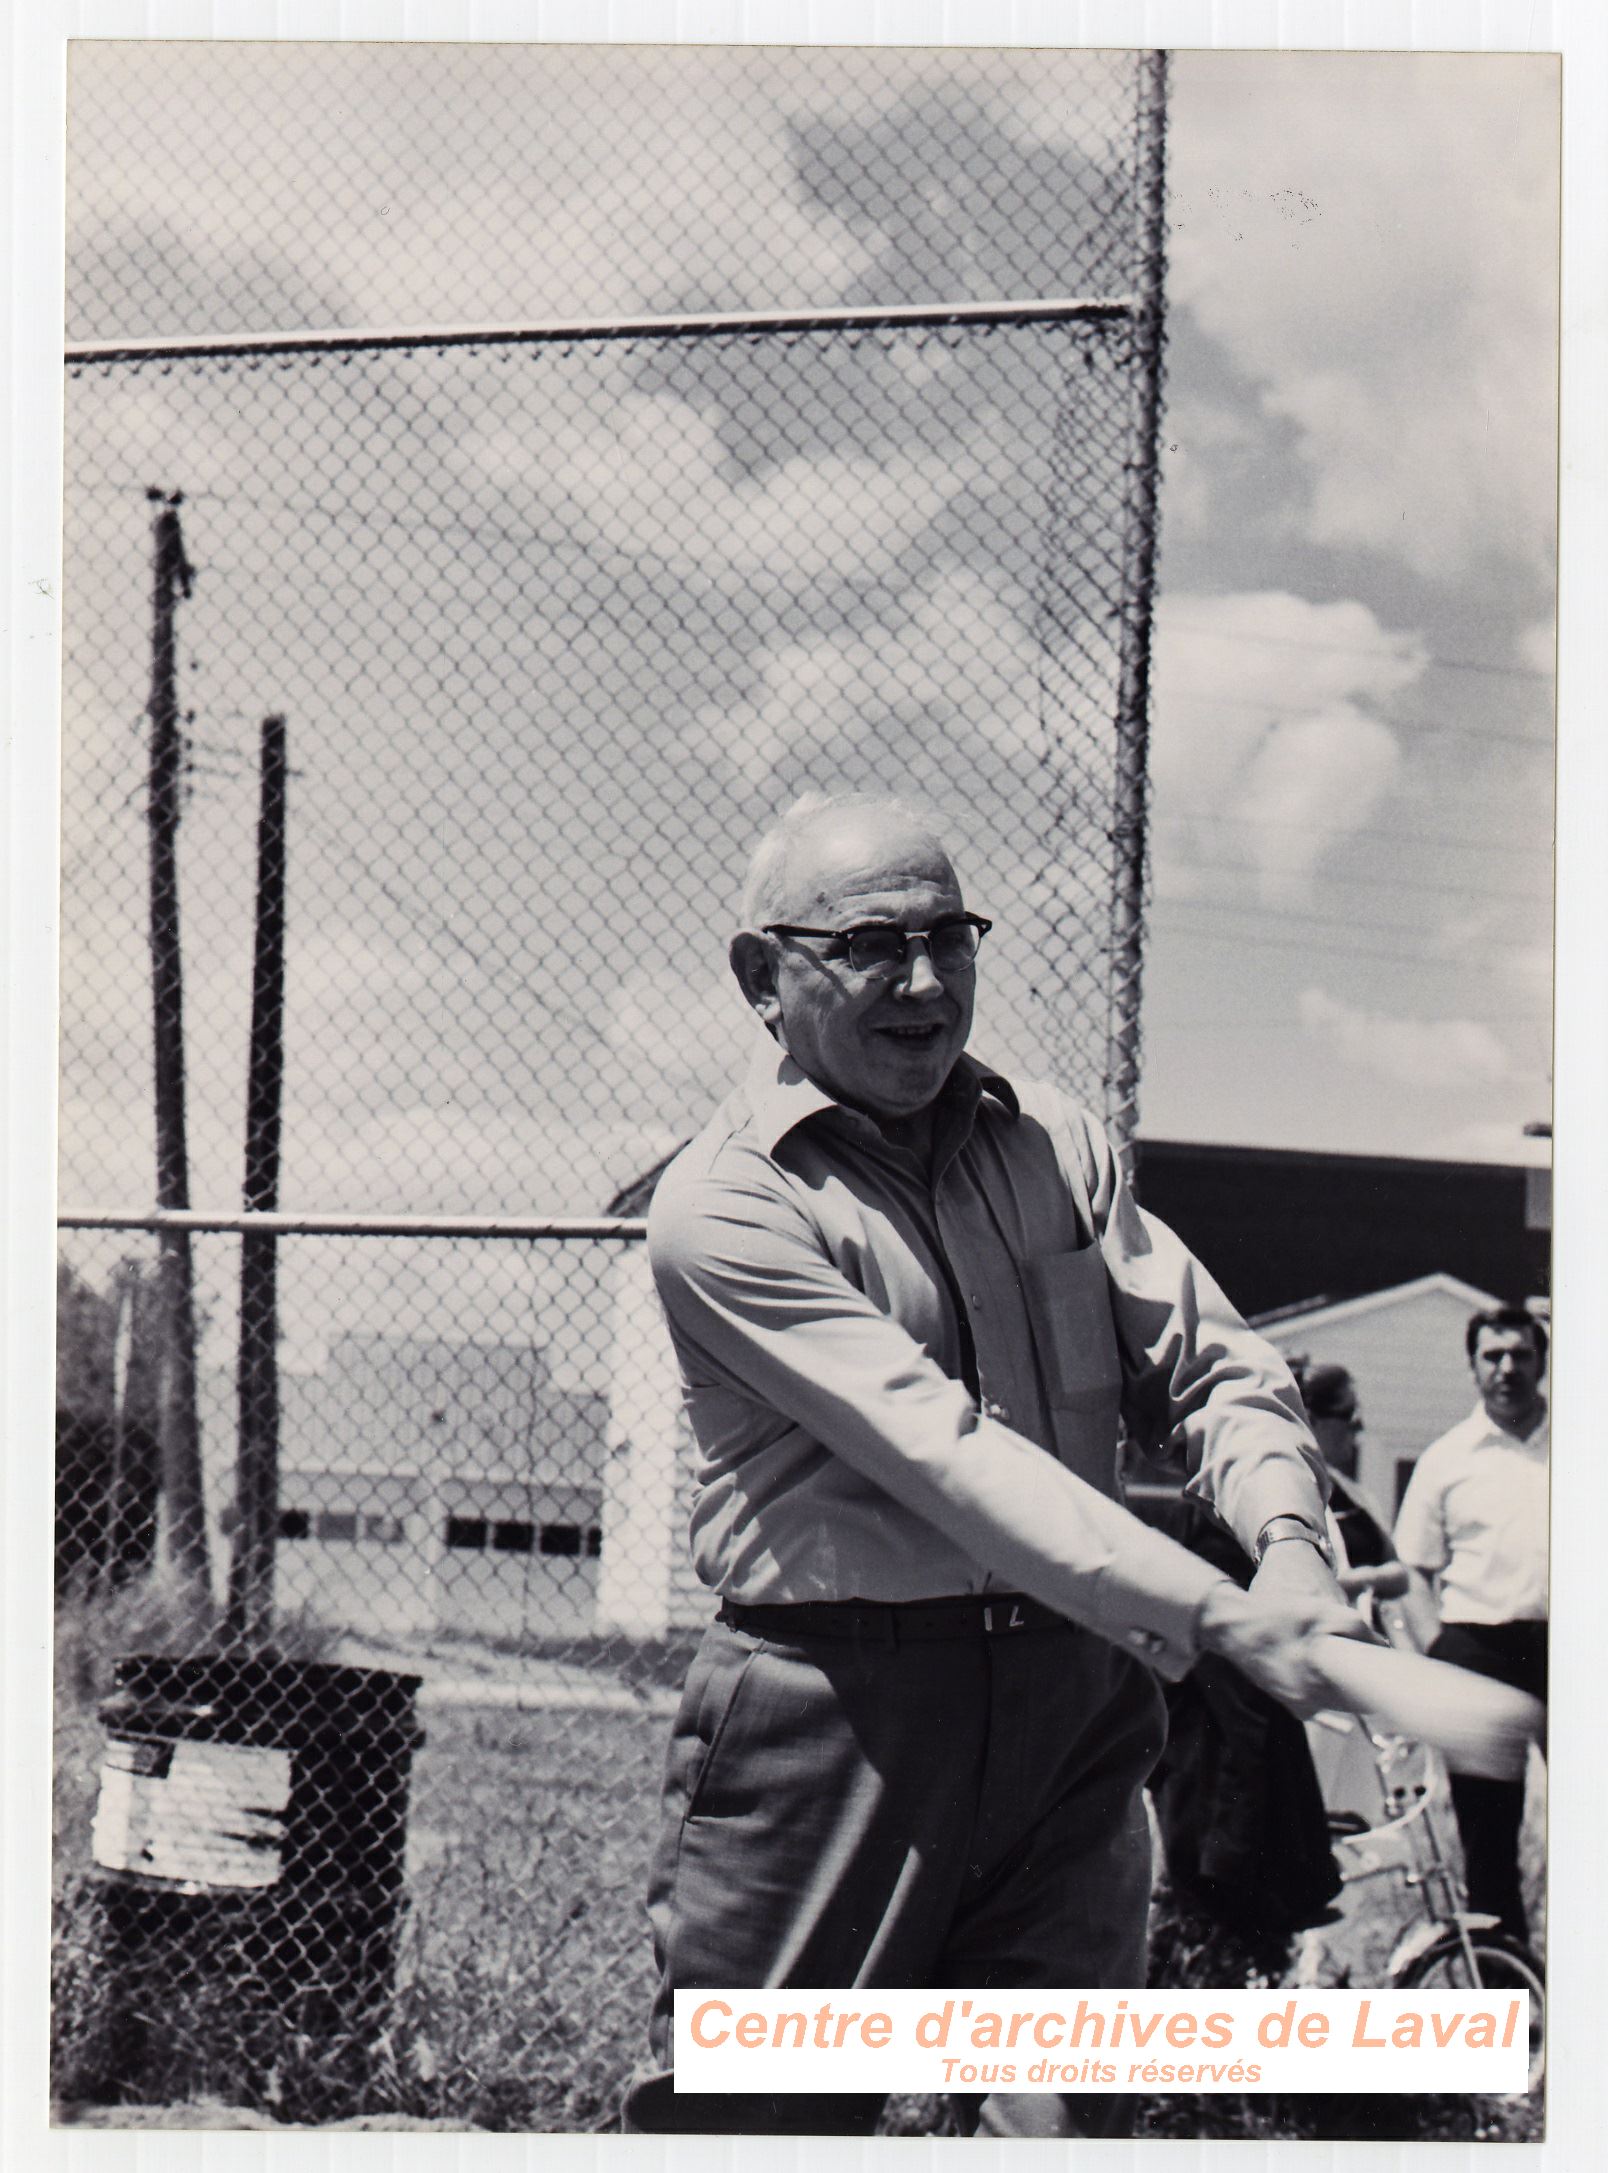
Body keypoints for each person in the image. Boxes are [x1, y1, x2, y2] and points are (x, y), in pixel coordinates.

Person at [621, 791, 1370, 2141]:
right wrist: (1211, 1611)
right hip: (838, 1715)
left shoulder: (1057, 1147)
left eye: (948, 938)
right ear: (760, 976)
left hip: (1073, 1708)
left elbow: (1213, 1367)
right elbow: (952, 1457)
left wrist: (1295, 1546)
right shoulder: (726, 1204)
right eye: (868, 946)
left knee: (1065, 2116)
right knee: (756, 2126)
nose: (922, 981)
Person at [1393, 1305, 1549, 1945]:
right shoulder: (1446, 1458)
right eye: (1493, 1355)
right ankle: (1511, 2003)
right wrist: (1438, 1646)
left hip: (1573, 1653)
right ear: (1472, 1366)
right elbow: (1409, 1567)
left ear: (1542, 1362)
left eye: (1520, 1354)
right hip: (1478, 1651)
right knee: (1489, 1841)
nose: (1507, 1368)